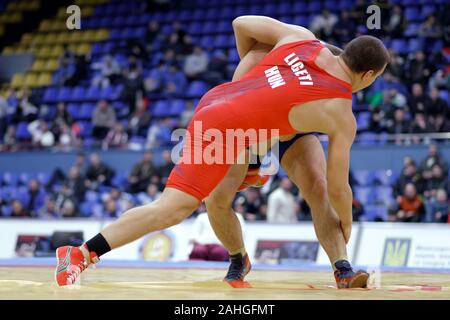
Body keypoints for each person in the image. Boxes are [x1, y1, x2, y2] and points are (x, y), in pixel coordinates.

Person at [55, 16, 389, 289]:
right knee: (185, 206)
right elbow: (340, 188)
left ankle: (342, 267)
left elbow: (241, 23)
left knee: (315, 187)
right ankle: (236, 255)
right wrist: (346, 222)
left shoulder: (301, 36)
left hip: (236, 110)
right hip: (229, 127)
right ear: (369, 75)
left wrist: (248, 71)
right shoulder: (341, 114)